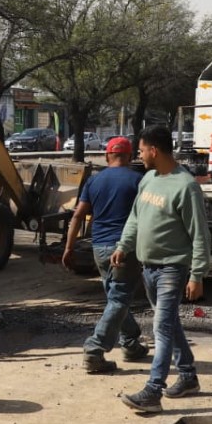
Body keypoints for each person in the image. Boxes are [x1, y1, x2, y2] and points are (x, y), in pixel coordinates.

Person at [111, 124, 211, 413]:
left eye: (141, 150)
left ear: (154, 150)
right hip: (148, 268)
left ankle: (154, 390)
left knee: (161, 328)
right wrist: (123, 246)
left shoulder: (186, 186)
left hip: (172, 269)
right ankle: (189, 376)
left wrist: (197, 274)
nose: (139, 156)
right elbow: (135, 218)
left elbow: (200, 234)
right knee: (169, 324)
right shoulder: (148, 180)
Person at [62, 136, 149, 374]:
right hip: (125, 248)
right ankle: (94, 349)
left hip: (99, 248)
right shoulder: (138, 181)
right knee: (120, 298)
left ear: (107, 156)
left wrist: (69, 247)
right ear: (130, 157)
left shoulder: (94, 181)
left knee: (115, 297)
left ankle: (131, 343)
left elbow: (78, 216)